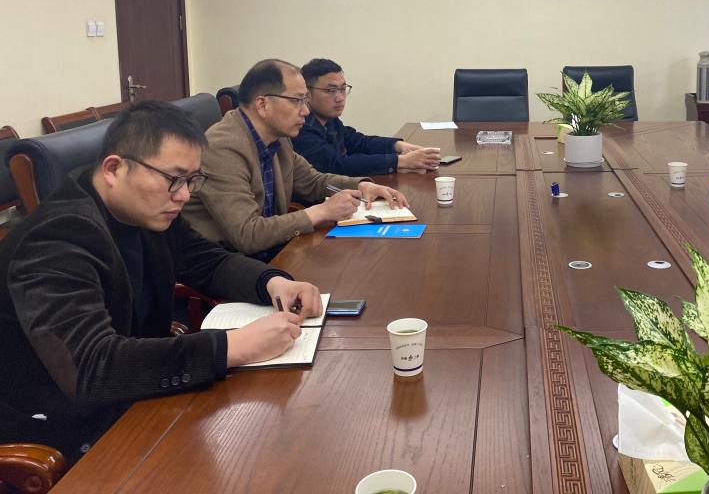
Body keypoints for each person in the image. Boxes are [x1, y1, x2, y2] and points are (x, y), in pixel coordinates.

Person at [0, 102, 323, 464]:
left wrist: (272, 282)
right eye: (174, 179)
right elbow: (91, 369)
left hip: (134, 394)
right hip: (58, 430)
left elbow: (208, 261)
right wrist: (231, 347)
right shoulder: (57, 237)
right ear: (113, 168)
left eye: (191, 180)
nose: (184, 195)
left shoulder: (142, 210)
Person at [184, 59, 408, 259]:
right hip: (226, 265)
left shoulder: (277, 137)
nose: (306, 111)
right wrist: (321, 212)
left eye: (305, 100)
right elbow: (247, 234)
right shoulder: (222, 148)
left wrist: (361, 186)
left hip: (272, 252)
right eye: (297, 101)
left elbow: (312, 181)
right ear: (262, 105)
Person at [294, 58, 441, 175]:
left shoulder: (330, 120)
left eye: (343, 89)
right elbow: (337, 164)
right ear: (307, 94)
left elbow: (359, 142)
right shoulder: (300, 127)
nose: (340, 98)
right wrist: (400, 161)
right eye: (331, 90)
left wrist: (399, 146)